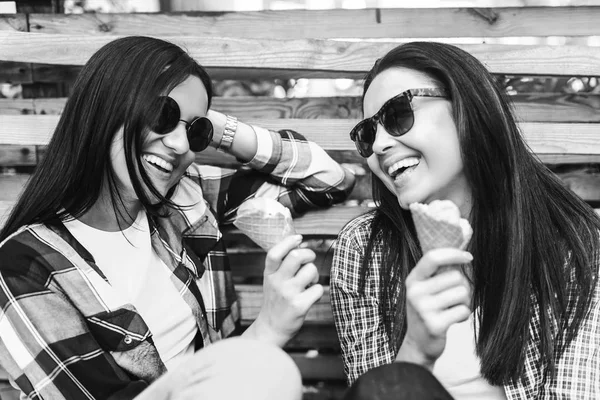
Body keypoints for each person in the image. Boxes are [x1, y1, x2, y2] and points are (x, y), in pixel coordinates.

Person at [0, 36, 355, 399]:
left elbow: (327, 178)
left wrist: (214, 126)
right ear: (104, 109)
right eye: (161, 115)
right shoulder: (22, 269)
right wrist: (266, 332)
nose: (182, 146)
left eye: (194, 132)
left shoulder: (186, 199)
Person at [330, 41, 600, 399]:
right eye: (367, 134)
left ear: (468, 109)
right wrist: (415, 351)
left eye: (397, 114)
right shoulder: (363, 251)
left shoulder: (572, 243)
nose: (378, 145)